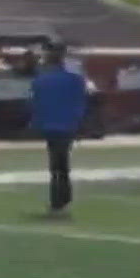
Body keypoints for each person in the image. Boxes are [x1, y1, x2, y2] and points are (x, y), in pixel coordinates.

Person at [30, 43, 88, 218]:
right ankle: (61, 199)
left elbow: (35, 105)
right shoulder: (75, 79)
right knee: (61, 164)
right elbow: (80, 103)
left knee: (57, 165)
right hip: (67, 125)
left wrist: (36, 123)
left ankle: (58, 200)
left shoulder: (41, 80)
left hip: (50, 126)